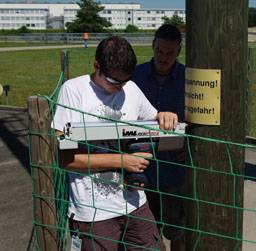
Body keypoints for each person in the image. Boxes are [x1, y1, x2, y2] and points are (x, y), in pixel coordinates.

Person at [52, 36, 178, 251]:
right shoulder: (73, 91)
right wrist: (122, 161)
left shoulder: (131, 89)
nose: (120, 88)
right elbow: (64, 158)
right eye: (113, 81)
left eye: (125, 81)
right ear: (96, 66)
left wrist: (164, 117)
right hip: (93, 213)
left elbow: (154, 121)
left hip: (135, 202)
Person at [132, 24, 186, 249]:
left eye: (170, 53)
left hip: (176, 164)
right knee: (146, 229)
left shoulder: (189, 77)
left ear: (178, 51)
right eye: (160, 51)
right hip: (141, 164)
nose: (164, 57)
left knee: (180, 229)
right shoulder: (135, 75)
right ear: (153, 47)